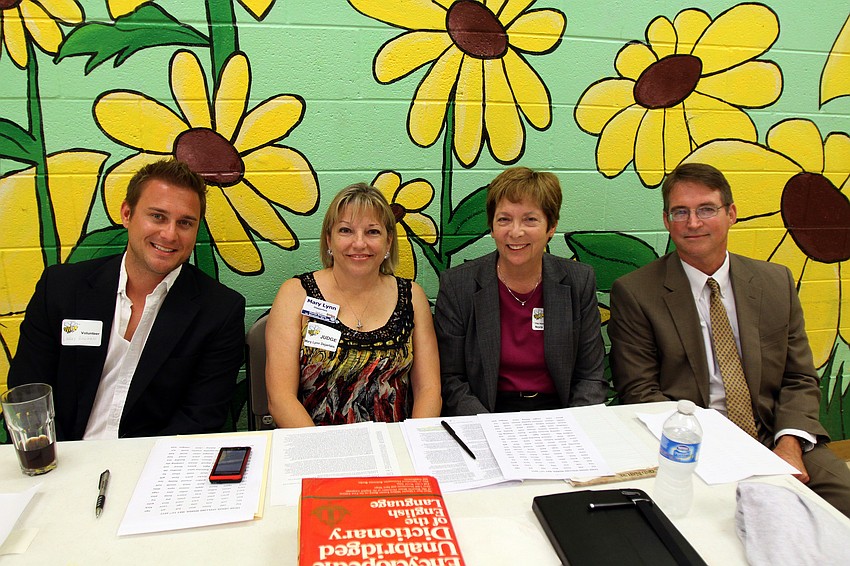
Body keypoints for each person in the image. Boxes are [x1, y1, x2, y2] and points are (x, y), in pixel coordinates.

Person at [609, 162, 850, 517]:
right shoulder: (636, 292)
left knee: (840, 503)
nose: (693, 223)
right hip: (695, 444)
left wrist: (789, 444)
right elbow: (641, 394)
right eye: (680, 212)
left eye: (706, 209)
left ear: (731, 213)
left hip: (774, 432)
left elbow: (799, 377)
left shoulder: (774, 282)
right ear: (666, 221)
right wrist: (725, 454)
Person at [8, 159, 246, 441]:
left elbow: (201, 418)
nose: (169, 234)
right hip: (62, 459)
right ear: (127, 214)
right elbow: (28, 392)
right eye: (157, 216)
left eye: (185, 223)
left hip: (151, 466)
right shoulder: (61, 289)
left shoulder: (219, 310)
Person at [265, 183, 441, 427]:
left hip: (395, 450)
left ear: (389, 242)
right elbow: (280, 399)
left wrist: (414, 445)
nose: (359, 244)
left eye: (373, 232)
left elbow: (429, 389)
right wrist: (332, 456)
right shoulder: (295, 294)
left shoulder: (412, 296)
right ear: (329, 239)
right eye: (346, 231)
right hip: (315, 448)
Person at [434, 167, 607, 415]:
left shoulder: (578, 281)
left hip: (559, 413)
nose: (516, 232)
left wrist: (573, 425)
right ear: (492, 227)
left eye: (530, 219)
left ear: (551, 227)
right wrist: (488, 427)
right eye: (504, 219)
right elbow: (451, 378)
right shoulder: (458, 285)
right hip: (487, 413)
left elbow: (591, 375)